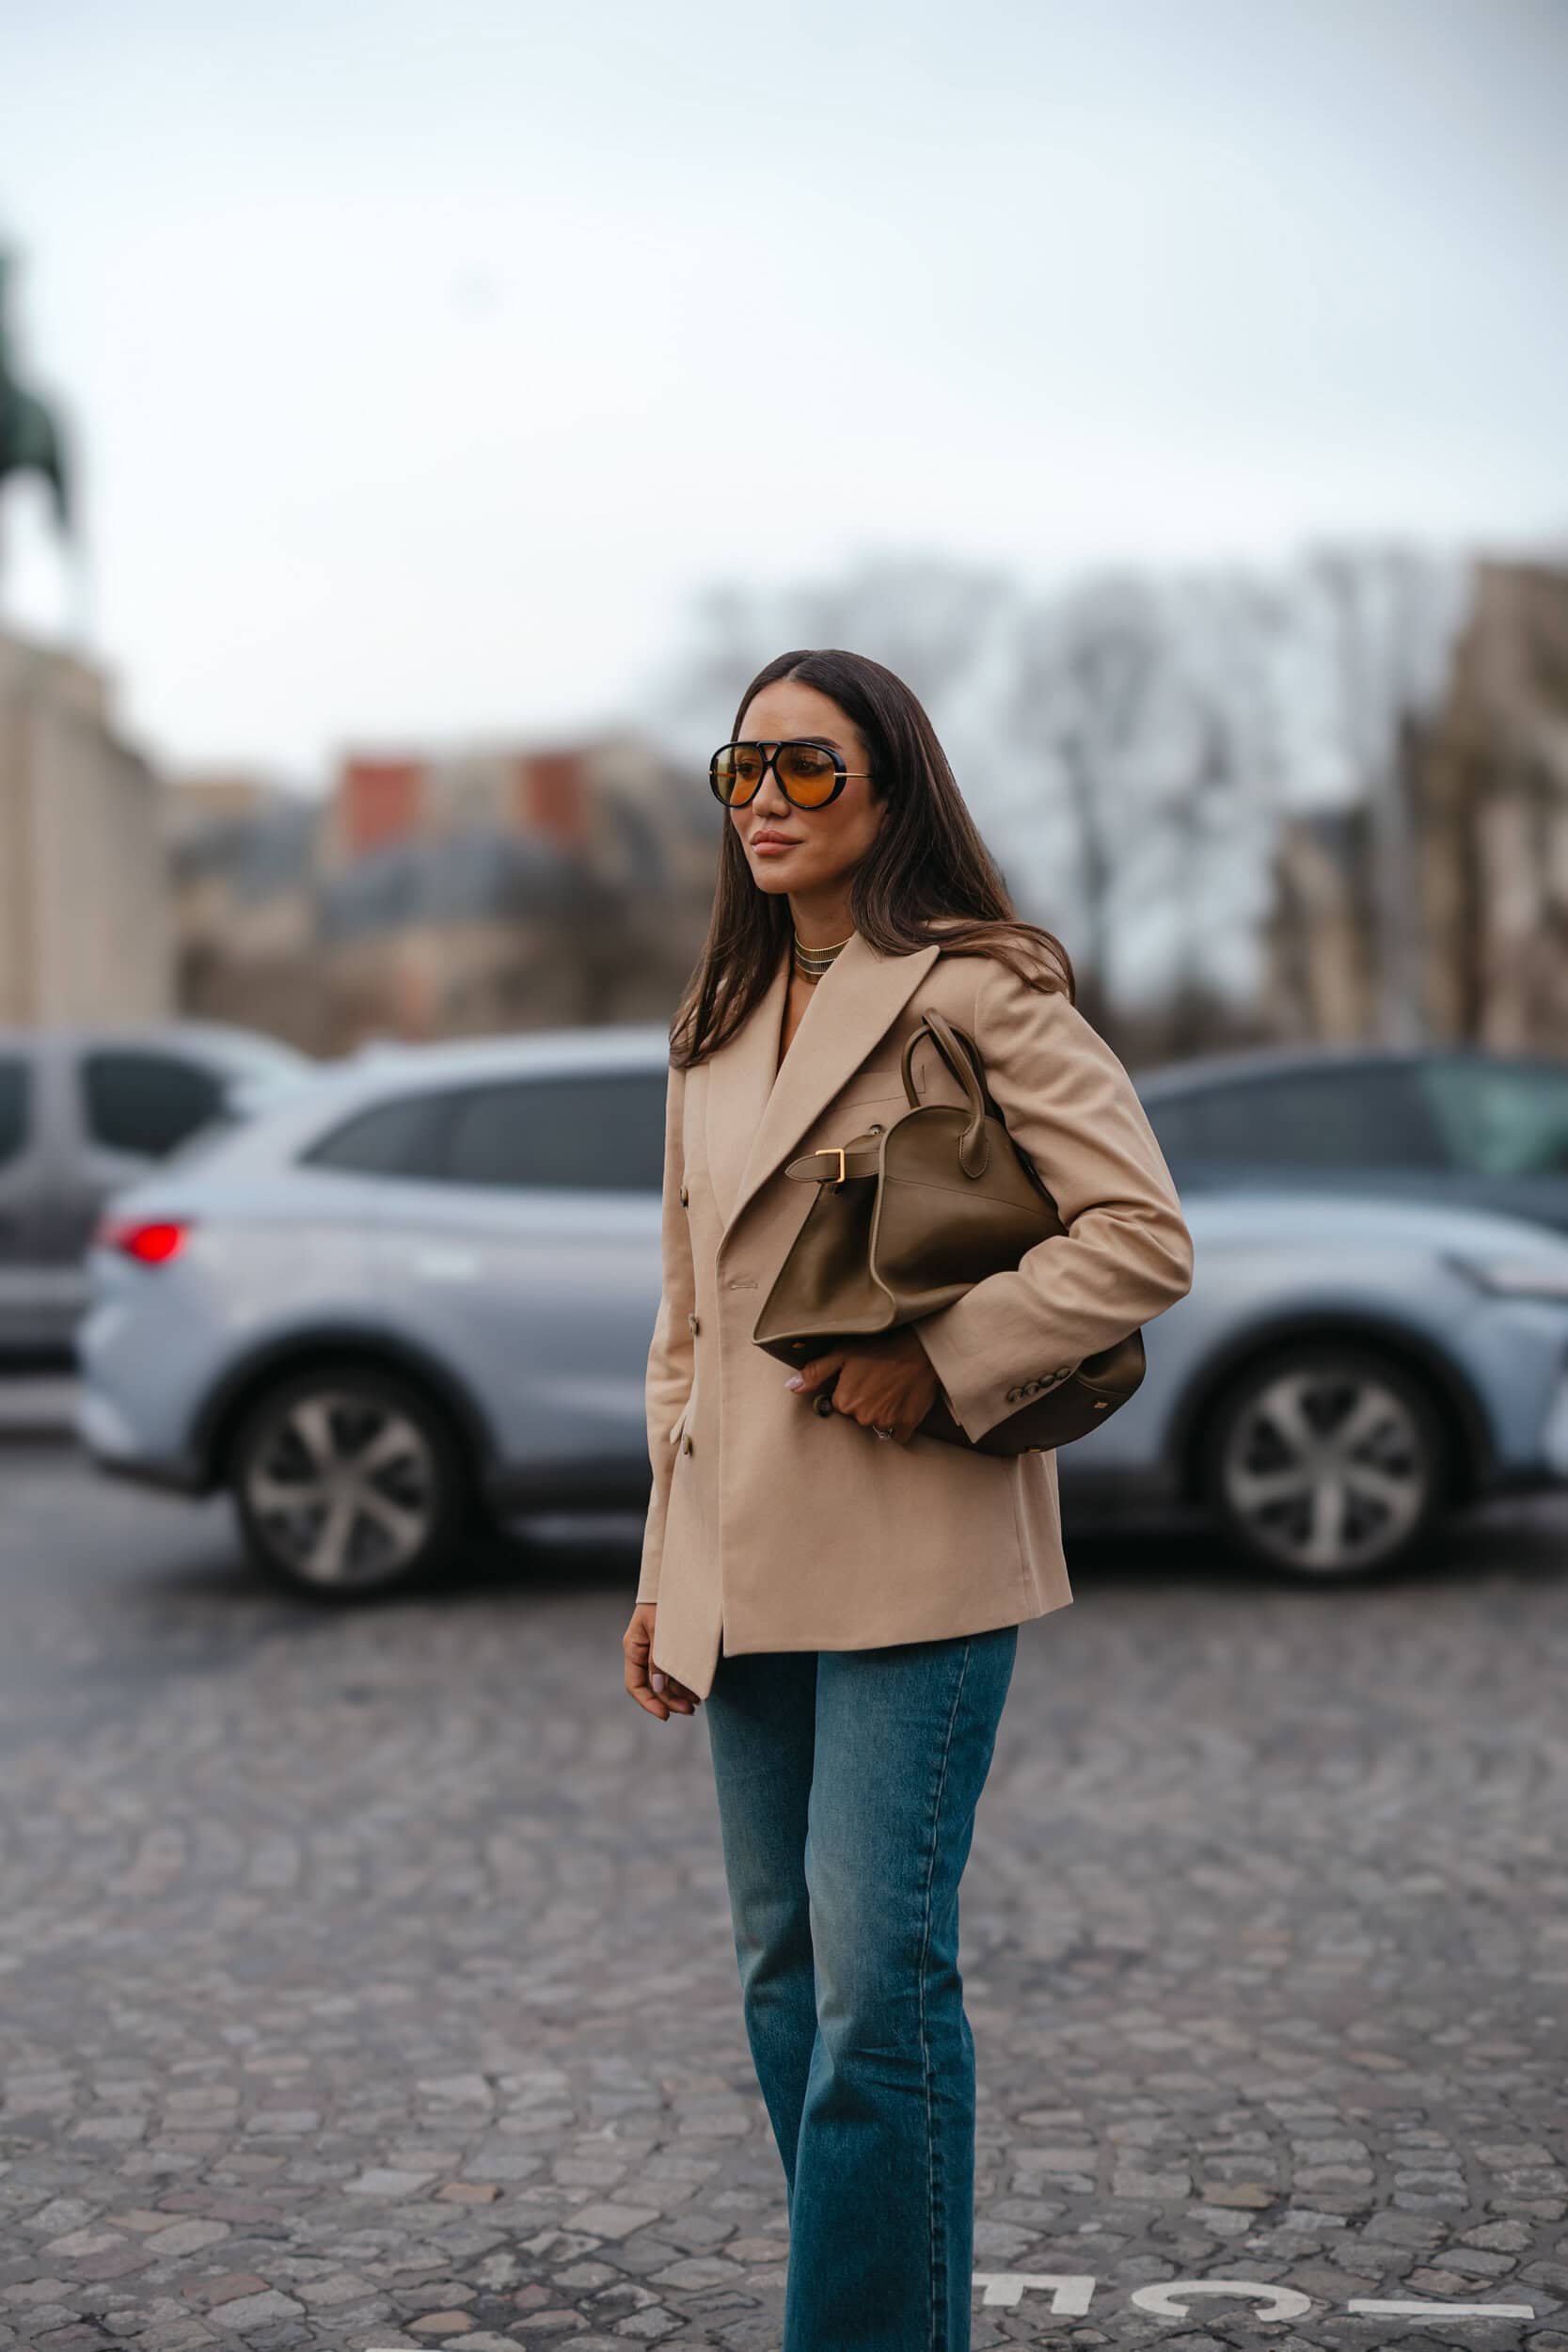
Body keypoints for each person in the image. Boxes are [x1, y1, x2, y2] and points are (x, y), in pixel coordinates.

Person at [622, 647, 1194, 2351]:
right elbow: (687, 1329)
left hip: (922, 1556)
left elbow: (1142, 1238)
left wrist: (942, 1359)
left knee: (881, 1986)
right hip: (744, 1565)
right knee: (784, 1984)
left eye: (812, 771)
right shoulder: (710, 1030)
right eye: (745, 773)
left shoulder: (978, 988)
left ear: (891, 792)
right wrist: (667, 1573)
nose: (772, 806)